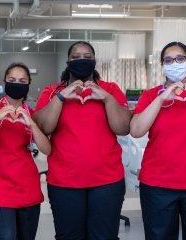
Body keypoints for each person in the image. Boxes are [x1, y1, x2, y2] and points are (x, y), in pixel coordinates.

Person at [33, 41, 132, 240]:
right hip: (64, 182)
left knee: (104, 236)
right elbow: (44, 127)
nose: (82, 61)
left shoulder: (110, 89)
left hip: (107, 181)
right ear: (68, 62)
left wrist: (106, 98)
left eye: (87, 57)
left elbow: (123, 128)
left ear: (95, 62)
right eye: (76, 57)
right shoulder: (52, 91)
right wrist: (62, 96)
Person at [130, 41, 186, 240]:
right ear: (162, 65)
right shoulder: (151, 96)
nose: (175, 63)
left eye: (180, 59)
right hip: (158, 185)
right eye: (169, 60)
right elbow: (136, 130)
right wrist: (161, 99)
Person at [0, 62, 51, 240]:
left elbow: (46, 149)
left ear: (28, 84)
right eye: (12, 80)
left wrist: (31, 123)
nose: (17, 83)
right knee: (6, 236)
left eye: (22, 80)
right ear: (4, 81)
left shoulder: (32, 113)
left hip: (28, 188)